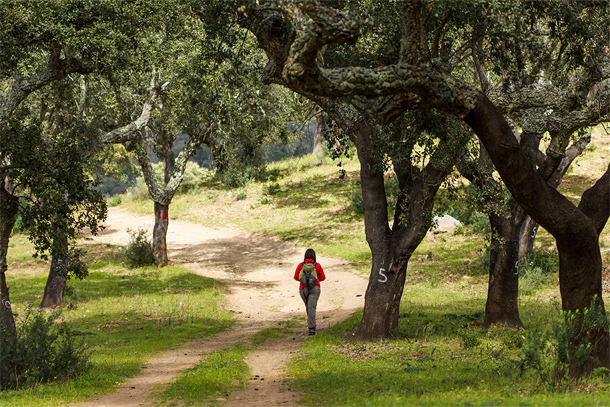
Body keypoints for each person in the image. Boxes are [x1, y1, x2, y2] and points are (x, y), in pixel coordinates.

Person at [294, 248, 326, 335]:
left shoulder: (301, 265)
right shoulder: (317, 265)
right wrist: (314, 279)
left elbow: (296, 277)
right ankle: (312, 328)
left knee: (308, 307)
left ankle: (311, 325)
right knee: (312, 307)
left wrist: (305, 280)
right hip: (315, 288)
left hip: (303, 289)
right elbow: (323, 277)